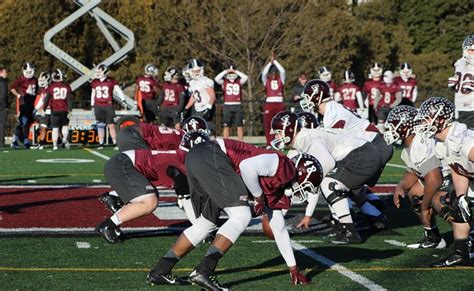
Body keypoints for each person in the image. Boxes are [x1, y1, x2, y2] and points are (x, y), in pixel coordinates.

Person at [147, 132, 313, 289]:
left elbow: (279, 228)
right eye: (306, 187)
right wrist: (258, 196)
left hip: (198, 157)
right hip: (212, 155)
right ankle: (204, 271)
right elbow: (247, 166)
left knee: (206, 224)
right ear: (301, 173)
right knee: (242, 215)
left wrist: (293, 268)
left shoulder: (279, 184)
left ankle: (160, 271)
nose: (303, 194)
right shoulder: (284, 166)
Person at [271, 111, 383, 244]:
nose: (277, 136)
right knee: (335, 184)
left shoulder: (305, 139)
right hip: (361, 153)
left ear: (289, 130)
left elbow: (327, 163)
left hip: (362, 154)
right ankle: (375, 216)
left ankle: (350, 231)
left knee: (329, 184)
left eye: (279, 132)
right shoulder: (303, 139)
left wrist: (304, 183)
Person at [299, 80, 392, 228]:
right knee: (347, 183)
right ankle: (375, 209)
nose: (305, 101)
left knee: (333, 181)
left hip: (374, 147)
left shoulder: (332, 114)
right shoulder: (332, 110)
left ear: (317, 97)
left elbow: (333, 148)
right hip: (375, 145)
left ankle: (349, 219)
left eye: (308, 96)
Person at [414, 97, 473, 267]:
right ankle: (461, 253)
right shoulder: (444, 142)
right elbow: (458, 169)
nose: (422, 122)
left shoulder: (464, 141)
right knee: (455, 202)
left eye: (426, 118)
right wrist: (462, 196)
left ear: (440, 119)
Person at [384, 105, 451, 249]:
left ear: (406, 126)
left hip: (452, 177)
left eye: (394, 125)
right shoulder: (410, 146)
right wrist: (400, 186)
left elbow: (434, 180)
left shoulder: (421, 144)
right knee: (415, 195)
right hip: (442, 177)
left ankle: (468, 235)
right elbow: (413, 171)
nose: (390, 130)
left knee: (439, 202)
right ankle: (433, 238)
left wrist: (426, 205)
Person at [95, 147, 188, 243]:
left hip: (122, 162)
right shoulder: (186, 165)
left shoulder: (183, 157)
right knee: (150, 202)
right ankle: (107, 225)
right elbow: (188, 199)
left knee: (151, 193)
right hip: (123, 164)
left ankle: (115, 197)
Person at [90, 64, 125, 149]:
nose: (98, 72)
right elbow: (93, 93)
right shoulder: (95, 82)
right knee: (100, 124)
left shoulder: (111, 81)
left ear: (105, 71)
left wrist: (123, 99)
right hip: (98, 105)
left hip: (108, 105)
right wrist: (92, 104)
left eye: (100, 70)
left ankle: (115, 143)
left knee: (111, 125)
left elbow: (118, 90)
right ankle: (101, 143)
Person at [214, 65, 248, 140]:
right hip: (227, 106)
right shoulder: (224, 82)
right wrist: (226, 71)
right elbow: (216, 78)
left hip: (237, 105)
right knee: (226, 125)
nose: (231, 74)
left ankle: (241, 142)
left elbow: (245, 77)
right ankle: (226, 143)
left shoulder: (239, 81)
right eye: (230, 73)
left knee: (239, 125)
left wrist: (235, 71)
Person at [182, 59, 216, 134]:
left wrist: (208, 108)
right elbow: (194, 97)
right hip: (197, 109)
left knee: (207, 131)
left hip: (206, 108)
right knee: (197, 131)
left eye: (198, 71)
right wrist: (186, 108)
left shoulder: (206, 81)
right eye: (194, 71)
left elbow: (212, 96)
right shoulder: (192, 83)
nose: (196, 73)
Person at [448, 34, 474, 129]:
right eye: (472, 51)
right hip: (459, 107)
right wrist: (455, 83)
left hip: (472, 108)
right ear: (465, 50)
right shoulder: (459, 63)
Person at [10, 62, 37, 149]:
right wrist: (18, 95)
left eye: (30, 72)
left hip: (31, 104)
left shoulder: (34, 80)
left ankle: (26, 141)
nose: (29, 74)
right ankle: (14, 140)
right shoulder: (21, 79)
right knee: (23, 122)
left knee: (28, 124)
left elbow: (36, 91)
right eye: (28, 72)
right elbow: (12, 87)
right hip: (24, 103)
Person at [43, 69, 72, 150]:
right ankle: (64, 139)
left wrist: (44, 108)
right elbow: (69, 99)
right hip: (64, 109)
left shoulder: (51, 87)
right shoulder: (67, 87)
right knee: (65, 126)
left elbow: (47, 99)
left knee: (55, 128)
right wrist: (70, 109)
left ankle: (55, 145)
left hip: (54, 110)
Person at [261, 53, 286, 146]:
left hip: (279, 103)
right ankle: (269, 143)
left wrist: (275, 61)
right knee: (268, 124)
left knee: (280, 124)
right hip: (269, 103)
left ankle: (280, 142)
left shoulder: (281, 80)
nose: (273, 75)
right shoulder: (266, 81)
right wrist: (270, 63)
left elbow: (283, 71)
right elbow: (263, 73)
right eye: (272, 74)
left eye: (275, 73)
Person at [31, 72, 51, 150]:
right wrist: (36, 108)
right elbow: (42, 100)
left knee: (56, 128)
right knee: (43, 127)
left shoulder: (51, 88)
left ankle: (63, 142)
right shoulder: (43, 90)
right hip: (45, 111)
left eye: (43, 80)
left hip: (52, 110)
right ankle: (41, 144)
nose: (41, 81)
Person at [0, 66, 8, 148]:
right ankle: (1, 142)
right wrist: (5, 105)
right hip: (2, 105)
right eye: (5, 72)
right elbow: (4, 94)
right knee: (2, 124)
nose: (6, 74)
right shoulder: (3, 82)